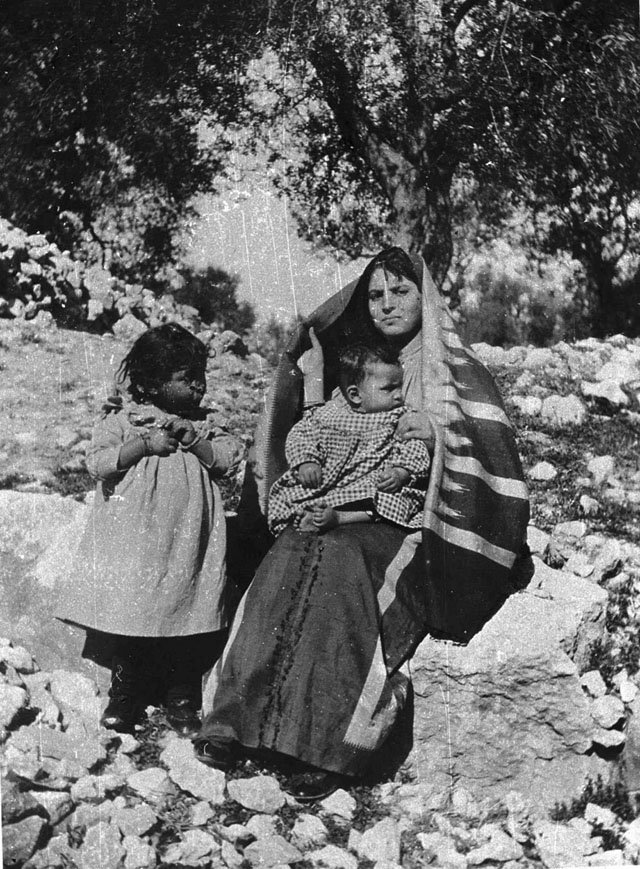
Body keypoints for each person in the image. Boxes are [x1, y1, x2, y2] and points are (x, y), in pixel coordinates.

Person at [195, 247, 529, 800]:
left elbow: (482, 455)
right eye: (375, 294)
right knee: (292, 551)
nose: (386, 304)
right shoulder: (358, 361)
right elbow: (320, 429)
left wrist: (430, 444)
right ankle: (234, 720)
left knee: (344, 568)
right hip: (344, 506)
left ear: (428, 296)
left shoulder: (454, 371)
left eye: (400, 292)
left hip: (411, 520)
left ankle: (327, 744)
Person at [57, 323, 242, 736]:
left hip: (190, 541)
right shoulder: (125, 421)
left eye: (201, 377)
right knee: (134, 610)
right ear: (153, 383)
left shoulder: (204, 424)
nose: (198, 387)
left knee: (188, 609)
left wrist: (196, 441)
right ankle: (126, 691)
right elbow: (98, 463)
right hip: (138, 541)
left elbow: (228, 463)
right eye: (186, 378)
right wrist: (141, 445)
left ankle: (182, 695)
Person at [268, 342, 431, 536]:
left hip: (370, 484)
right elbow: (301, 434)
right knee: (291, 494)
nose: (399, 396)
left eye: (400, 387)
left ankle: (339, 518)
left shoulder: (398, 417)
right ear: (355, 394)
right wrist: (306, 461)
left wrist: (401, 472)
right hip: (328, 482)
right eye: (389, 389)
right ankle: (311, 514)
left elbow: (414, 446)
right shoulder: (329, 413)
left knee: (395, 500)